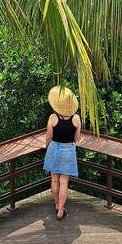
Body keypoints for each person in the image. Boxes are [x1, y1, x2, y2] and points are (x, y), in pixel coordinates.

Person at [43, 85, 81, 221]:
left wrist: (48, 148)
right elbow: (77, 139)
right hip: (68, 150)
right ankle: (60, 211)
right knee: (64, 182)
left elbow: (48, 136)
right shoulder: (76, 118)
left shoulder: (53, 117)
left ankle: (57, 204)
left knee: (54, 179)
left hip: (54, 148)